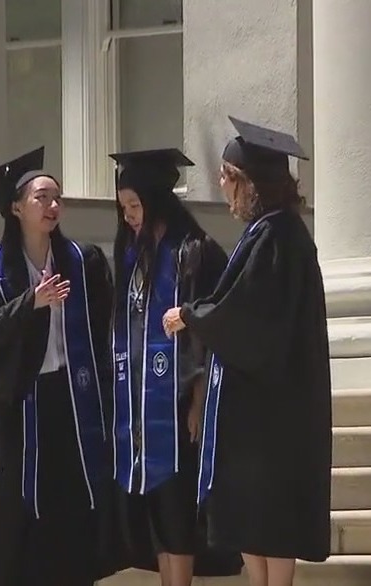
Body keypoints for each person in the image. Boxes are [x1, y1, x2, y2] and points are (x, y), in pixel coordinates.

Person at [161, 117, 332, 586]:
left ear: (246, 182)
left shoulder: (277, 238)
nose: (221, 186)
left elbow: (245, 313)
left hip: (272, 408)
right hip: (262, 404)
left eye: (225, 176)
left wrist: (190, 316)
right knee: (252, 515)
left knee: (270, 516)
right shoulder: (271, 233)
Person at [0, 146, 116, 586]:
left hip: (70, 403)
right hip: (17, 409)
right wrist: (31, 303)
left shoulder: (83, 264)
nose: (52, 206)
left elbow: (106, 327)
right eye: (41, 197)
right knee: (15, 517)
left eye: (57, 198)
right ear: (15, 207)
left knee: (69, 514)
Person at [106, 148, 242, 586]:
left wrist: (200, 399)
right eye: (123, 207)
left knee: (178, 513)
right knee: (157, 519)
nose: (128, 217)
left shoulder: (196, 252)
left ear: (156, 201)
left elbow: (214, 330)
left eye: (134, 206)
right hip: (140, 413)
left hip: (181, 408)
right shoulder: (132, 257)